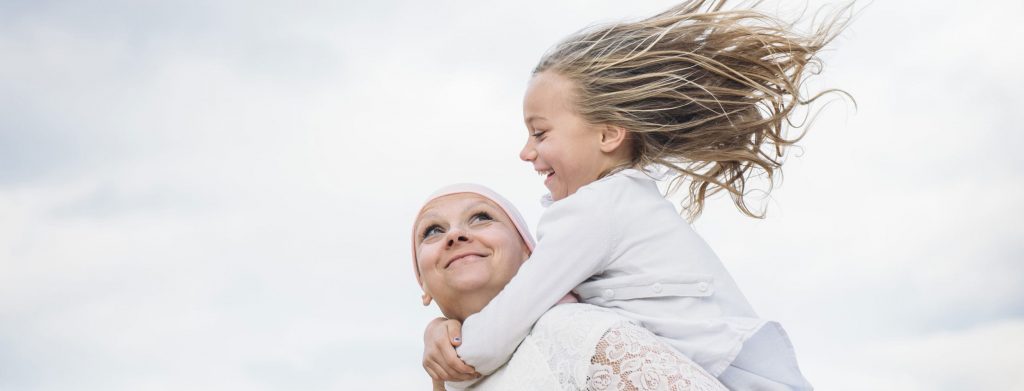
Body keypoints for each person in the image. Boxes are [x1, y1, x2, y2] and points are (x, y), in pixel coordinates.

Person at [423, 1, 851, 389]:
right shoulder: (623, 201)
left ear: (608, 134)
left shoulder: (592, 211)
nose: (527, 151)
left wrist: (450, 348)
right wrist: (441, 324)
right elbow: (550, 305)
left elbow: (503, 329)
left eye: (540, 133)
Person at [412, 183, 726, 390]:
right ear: (422, 284)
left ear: (530, 256)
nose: (455, 235)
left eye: (481, 217)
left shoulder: (574, 330)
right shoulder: (451, 376)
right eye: (432, 231)